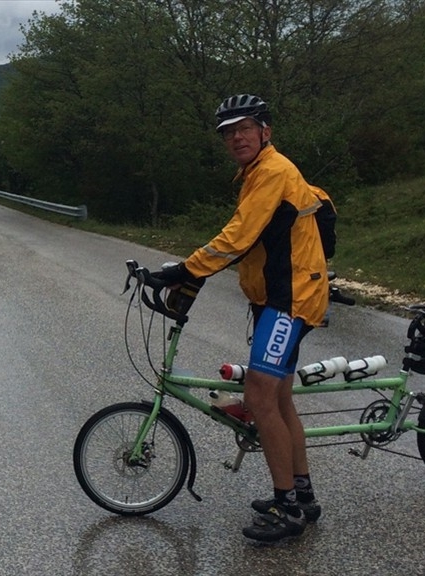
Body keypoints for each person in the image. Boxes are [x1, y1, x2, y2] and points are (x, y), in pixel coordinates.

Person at [154, 94, 330, 543]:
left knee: (261, 397)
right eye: (228, 132)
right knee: (281, 399)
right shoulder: (256, 173)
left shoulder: (272, 171)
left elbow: (238, 237)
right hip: (280, 297)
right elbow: (251, 241)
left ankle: (286, 507)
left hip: (289, 301)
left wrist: (183, 270)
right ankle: (303, 495)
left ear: (265, 131)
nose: (236, 138)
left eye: (244, 128)